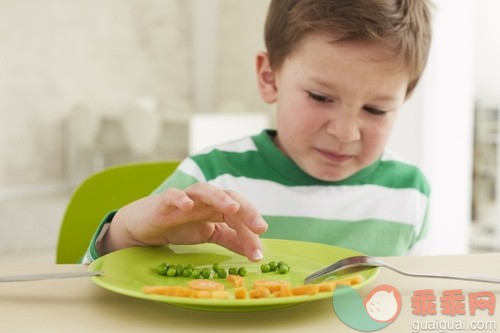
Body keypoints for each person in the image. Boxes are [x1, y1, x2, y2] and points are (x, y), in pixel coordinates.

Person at [82, 0, 433, 264]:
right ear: (270, 78)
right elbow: (99, 275)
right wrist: (126, 232)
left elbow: (405, 300)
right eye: (320, 97)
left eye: (376, 109)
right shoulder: (212, 178)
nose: (344, 133)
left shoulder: (409, 193)